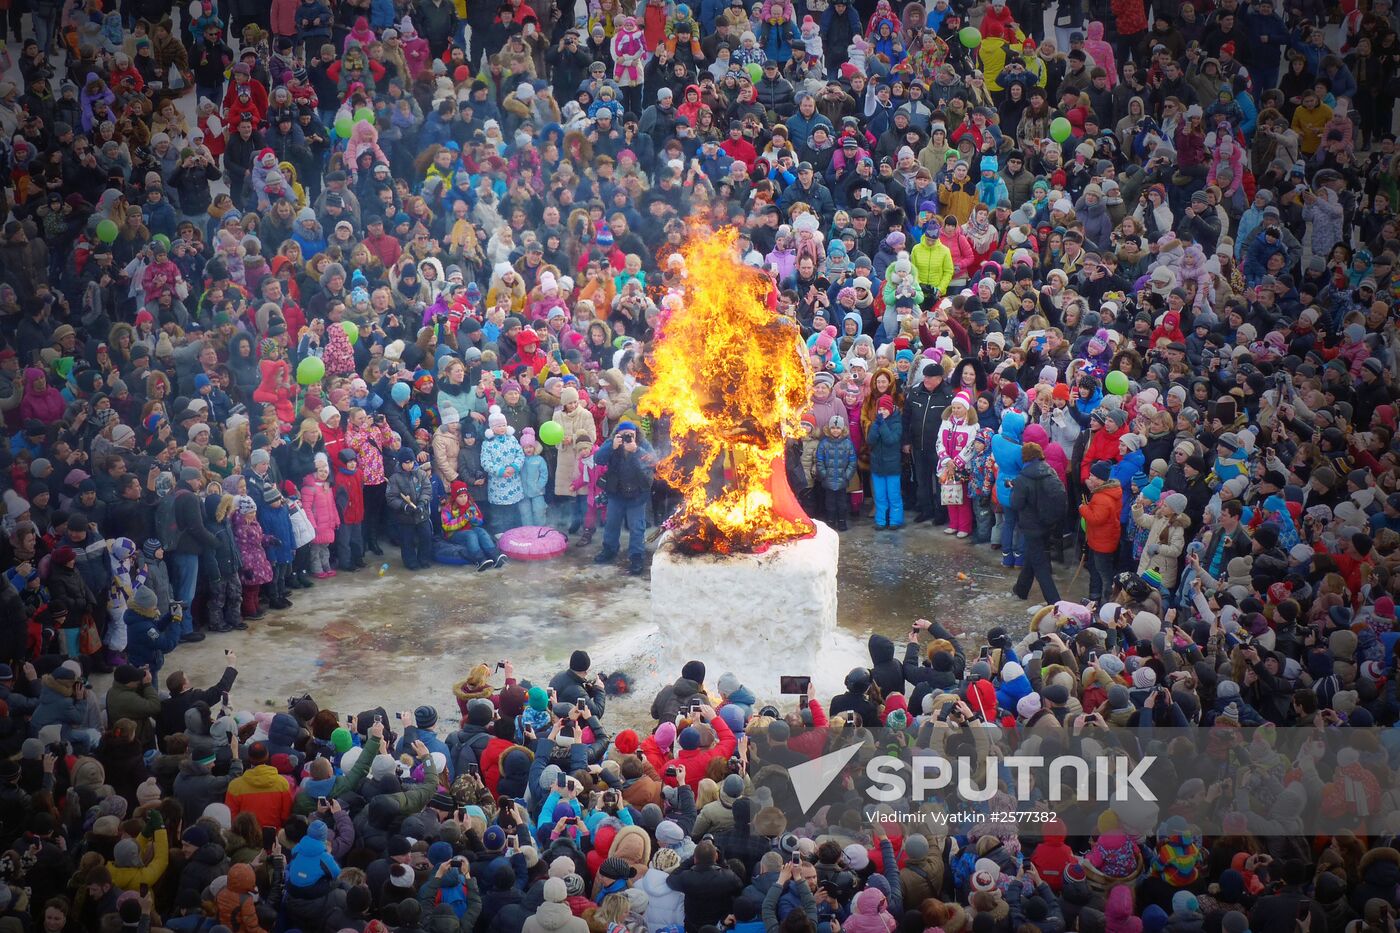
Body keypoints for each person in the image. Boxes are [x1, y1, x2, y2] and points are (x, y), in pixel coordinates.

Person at [593, 421, 657, 576]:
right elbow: (598, 459)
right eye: (624, 435)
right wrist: (611, 446)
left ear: (636, 434)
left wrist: (636, 450)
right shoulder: (612, 443)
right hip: (616, 493)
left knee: (637, 527)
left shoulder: (642, 444)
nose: (628, 437)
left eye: (631, 434)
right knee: (611, 524)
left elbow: (653, 461)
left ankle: (636, 557)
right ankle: (609, 550)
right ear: (617, 434)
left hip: (637, 495)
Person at [1010, 441, 1066, 603]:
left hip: (1031, 526)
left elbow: (1016, 504)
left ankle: (1055, 602)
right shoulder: (1050, 472)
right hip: (1048, 523)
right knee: (1033, 556)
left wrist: (1014, 488)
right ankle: (1021, 589)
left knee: (1040, 566)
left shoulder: (1022, 478)